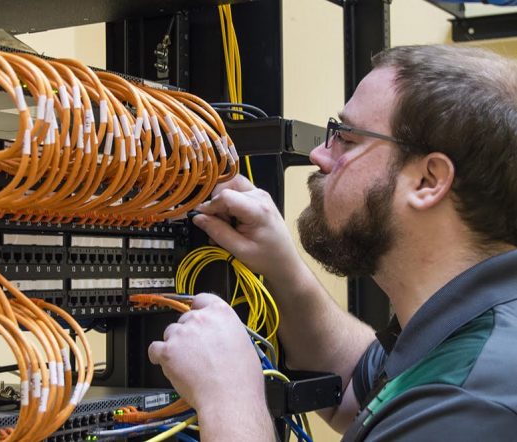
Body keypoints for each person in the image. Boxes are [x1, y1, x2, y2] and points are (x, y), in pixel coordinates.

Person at [147, 44, 517, 441]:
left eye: (348, 139)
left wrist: (231, 398)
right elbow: (362, 390)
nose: (319, 154)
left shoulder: (469, 404)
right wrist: (280, 265)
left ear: (427, 181)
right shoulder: (470, 330)